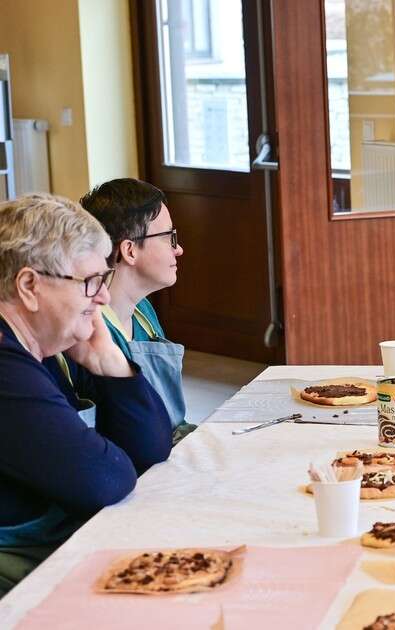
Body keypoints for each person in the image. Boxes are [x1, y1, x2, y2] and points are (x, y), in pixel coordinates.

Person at [0, 194, 172, 596]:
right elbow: (104, 479)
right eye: (90, 281)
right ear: (29, 286)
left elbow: (151, 449)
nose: (104, 297)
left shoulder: (54, 347)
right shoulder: (7, 369)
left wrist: (110, 363)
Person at [80, 179, 193, 444]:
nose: (178, 249)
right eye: (169, 237)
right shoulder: (90, 330)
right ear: (129, 250)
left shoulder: (142, 310)